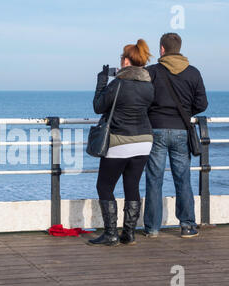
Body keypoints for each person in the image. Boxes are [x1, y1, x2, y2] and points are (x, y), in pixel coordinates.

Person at [88, 39, 154, 246]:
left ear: (126, 61)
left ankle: (110, 234)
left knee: (104, 186)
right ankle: (129, 234)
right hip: (144, 141)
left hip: (120, 141)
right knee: (132, 185)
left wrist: (101, 81)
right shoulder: (149, 86)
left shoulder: (117, 84)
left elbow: (98, 107)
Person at [144, 33, 208, 238]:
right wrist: (187, 112)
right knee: (183, 179)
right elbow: (202, 104)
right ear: (179, 48)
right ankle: (188, 225)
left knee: (154, 179)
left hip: (156, 130)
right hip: (181, 130)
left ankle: (152, 228)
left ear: (162, 49)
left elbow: (143, 100)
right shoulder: (193, 73)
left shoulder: (152, 72)